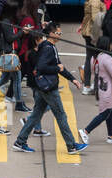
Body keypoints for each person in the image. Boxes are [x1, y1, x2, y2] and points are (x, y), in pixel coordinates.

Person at [13, 22, 87, 154]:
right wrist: (56, 68)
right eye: (58, 33)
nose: (60, 35)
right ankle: (71, 145)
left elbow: (59, 65)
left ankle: (20, 141)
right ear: (51, 34)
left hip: (43, 87)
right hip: (49, 88)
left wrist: (72, 78)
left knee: (36, 115)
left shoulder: (49, 47)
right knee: (61, 116)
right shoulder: (48, 48)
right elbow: (43, 67)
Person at [80, 34, 112, 145]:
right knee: (105, 113)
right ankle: (85, 131)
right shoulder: (107, 59)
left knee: (110, 112)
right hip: (107, 89)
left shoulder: (94, 58)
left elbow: (95, 72)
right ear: (108, 45)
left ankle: (111, 135)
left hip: (100, 88)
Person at [79, 0, 108, 94]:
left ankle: (89, 85)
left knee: (90, 58)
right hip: (93, 34)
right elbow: (96, 19)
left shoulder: (92, 0)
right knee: (96, 59)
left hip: (89, 33)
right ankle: (91, 86)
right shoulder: (96, 2)